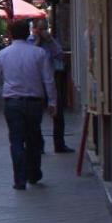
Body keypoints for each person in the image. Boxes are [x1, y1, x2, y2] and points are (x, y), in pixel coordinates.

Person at [0, 19, 56, 190]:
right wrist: (52, 101)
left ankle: (20, 179)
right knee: (33, 139)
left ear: (10, 34)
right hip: (34, 103)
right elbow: (49, 80)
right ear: (29, 33)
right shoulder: (39, 53)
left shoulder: (3, 54)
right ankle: (34, 173)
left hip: (13, 103)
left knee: (16, 141)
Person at [31, 18, 72, 153]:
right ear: (35, 29)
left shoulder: (51, 41)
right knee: (36, 117)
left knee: (58, 114)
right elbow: (29, 59)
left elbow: (60, 55)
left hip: (51, 80)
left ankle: (59, 144)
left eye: (45, 28)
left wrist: (49, 40)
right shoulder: (29, 42)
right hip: (36, 82)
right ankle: (39, 146)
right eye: (40, 29)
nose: (43, 32)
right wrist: (37, 42)